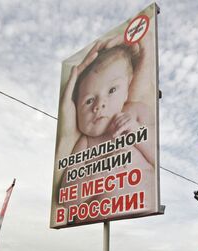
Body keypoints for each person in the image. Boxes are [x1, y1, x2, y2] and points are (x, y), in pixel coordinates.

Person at [53, 35, 156, 222]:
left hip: (145, 210)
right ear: (75, 108)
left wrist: (137, 132)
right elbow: (67, 199)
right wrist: (104, 169)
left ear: (127, 89)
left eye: (112, 90)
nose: (99, 106)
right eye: (89, 100)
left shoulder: (135, 112)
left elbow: (156, 158)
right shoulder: (86, 142)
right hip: (101, 214)